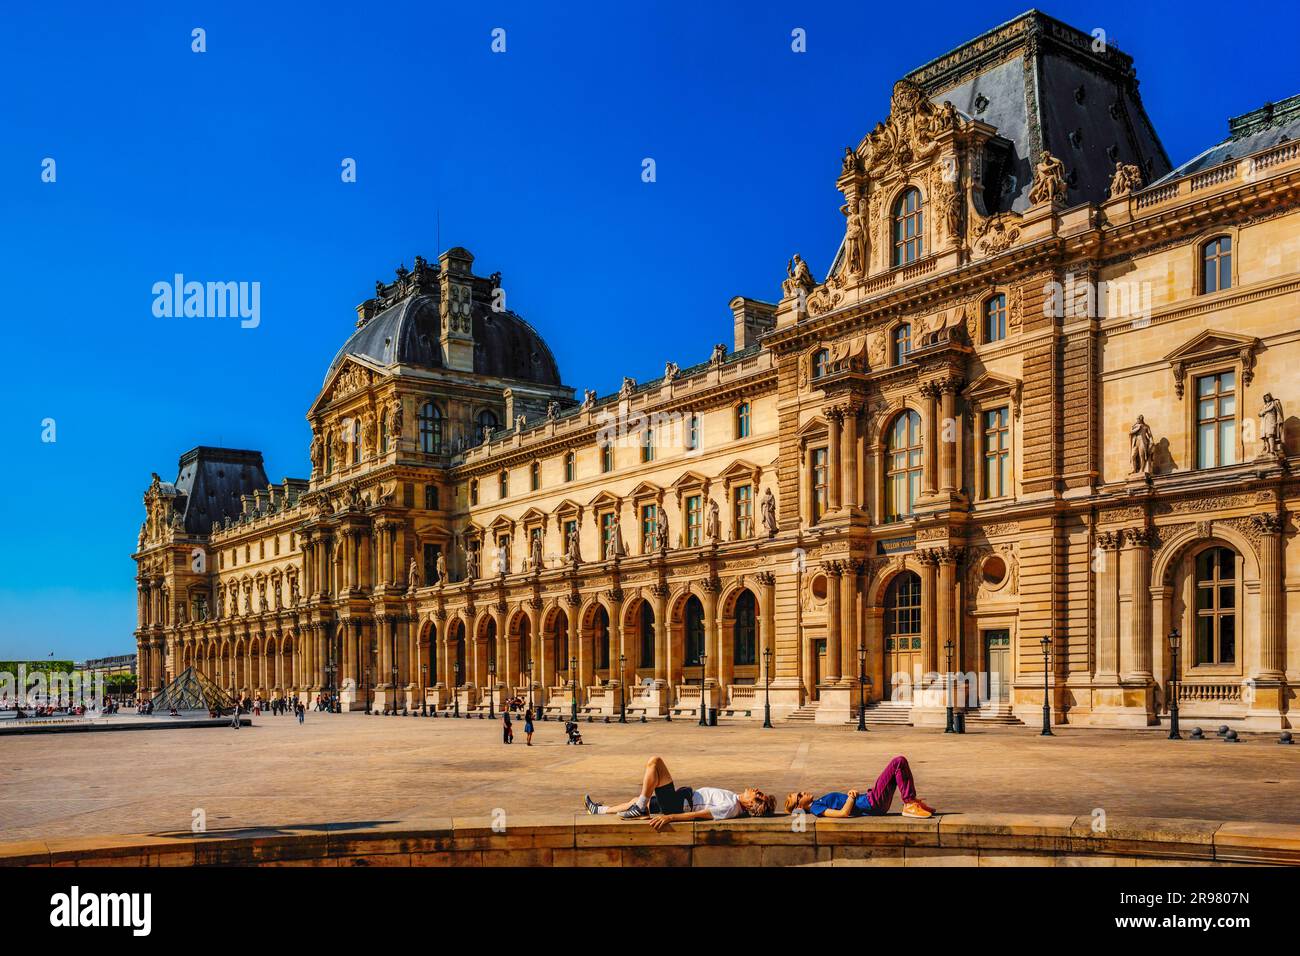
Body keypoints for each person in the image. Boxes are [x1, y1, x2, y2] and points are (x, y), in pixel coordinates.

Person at [585, 756, 775, 831]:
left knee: (655, 763)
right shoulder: (735, 800)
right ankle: (599, 811)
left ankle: (641, 808)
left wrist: (670, 818)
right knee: (638, 799)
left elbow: (700, 815)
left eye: (758, 796)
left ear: (751, 805)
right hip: (679, 800)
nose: (757, 790)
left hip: (678, 805)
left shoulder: (731, 808)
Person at [784, 755, 936, 819]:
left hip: (871, 802)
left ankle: (911, 801)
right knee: (898, 762)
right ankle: (909, 803)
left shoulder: (818, 802)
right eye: (799, 796)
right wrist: (850, 796)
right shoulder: (816, 808)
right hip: (871, 802)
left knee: (899, 767)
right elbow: (843, 814)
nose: (802, 792)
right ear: (799, 806)